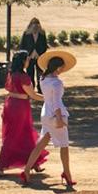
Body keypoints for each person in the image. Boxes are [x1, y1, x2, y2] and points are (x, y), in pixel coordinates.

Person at [23, 52, 76, 186]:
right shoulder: (56, 82)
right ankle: (67, 174)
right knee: (64, 145)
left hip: (46, 113)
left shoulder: (44, 78)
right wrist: (59, 118)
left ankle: (27, 169)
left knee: (42, 143)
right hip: (54, 114)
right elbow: (57, 102)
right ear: (58, 68)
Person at [0, 52, 47, 175]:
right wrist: (49, 98)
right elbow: (32, 94)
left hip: (10, 104)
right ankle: (0, 165)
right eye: (27, 59)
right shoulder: (23, 77)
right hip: (20, 107)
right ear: (23, 61)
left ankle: (33, 162)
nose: (29, 61)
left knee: (21, 134)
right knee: (19, 134)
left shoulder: (11, 74)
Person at [18, 18, 48, 89]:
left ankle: (40, 89)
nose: (35, 26)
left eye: (37, 24)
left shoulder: (42, 34)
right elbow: (22, 45)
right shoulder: (26, 34)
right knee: (30, 74)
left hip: (39, 57)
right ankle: (31, 89)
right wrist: (26, 56)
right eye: (33, 24)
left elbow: (45, 45)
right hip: (29, 58)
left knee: (40, 74)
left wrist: (41, 54)